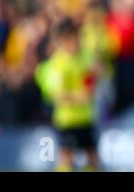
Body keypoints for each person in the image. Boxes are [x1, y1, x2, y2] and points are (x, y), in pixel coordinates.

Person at [35, 18, 99, 171]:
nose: (75, 41)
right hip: (66, 120)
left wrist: (89, 88)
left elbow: (90, 84)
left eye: (77, 36)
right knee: (66, 158)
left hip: (86, 117)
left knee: (92, 158)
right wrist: (80, 97)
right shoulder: (58, 64)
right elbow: (57, 95)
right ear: (62, 40)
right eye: (71, 38)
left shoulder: (86, 58)